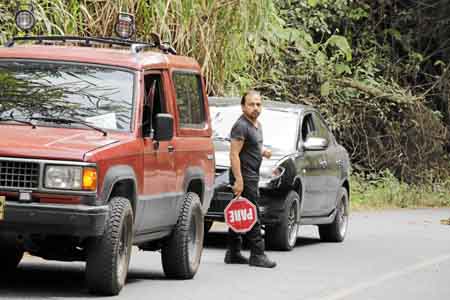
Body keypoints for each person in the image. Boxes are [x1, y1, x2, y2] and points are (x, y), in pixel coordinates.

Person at [224, 90, 276, 268]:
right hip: (245, 176)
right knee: (253, 213)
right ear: (243, 106)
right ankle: (258, 254)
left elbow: (253, 145)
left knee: (239, 210)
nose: (255, 108)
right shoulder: (241, 125)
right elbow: (234, 154)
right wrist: (239, 180)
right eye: (251, 104)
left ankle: (233, 252)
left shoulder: (256, 125)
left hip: (251, 174)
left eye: (258, 104)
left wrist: (263, 151)